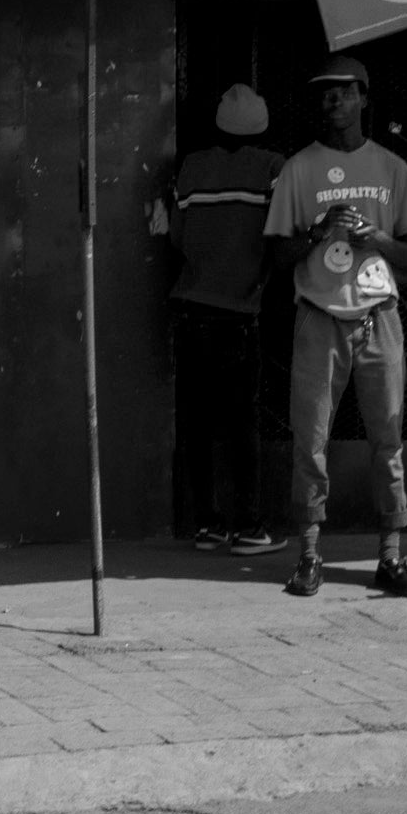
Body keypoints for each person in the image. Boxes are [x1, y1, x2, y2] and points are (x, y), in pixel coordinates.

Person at [264, 56, 407, 599]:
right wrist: (318, 232)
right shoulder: (299, 169)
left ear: (363, 97)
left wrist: (376, 239)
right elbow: (276, 252)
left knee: (388, 438)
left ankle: (390, 556)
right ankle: (310, 554)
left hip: (380, 317)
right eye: (325, 95)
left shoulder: (392, 169)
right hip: (319, 317)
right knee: (310, 439)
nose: (332, 102)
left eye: (342, 93)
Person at [165, 84, 284, 553]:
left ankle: (207, 525)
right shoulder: (272, 168)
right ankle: (251, 528)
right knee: (242, 423)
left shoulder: (192, 166)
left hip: (191, 309)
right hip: (239, 313)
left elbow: (177, 237)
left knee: (198, 421)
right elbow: (281, 233)